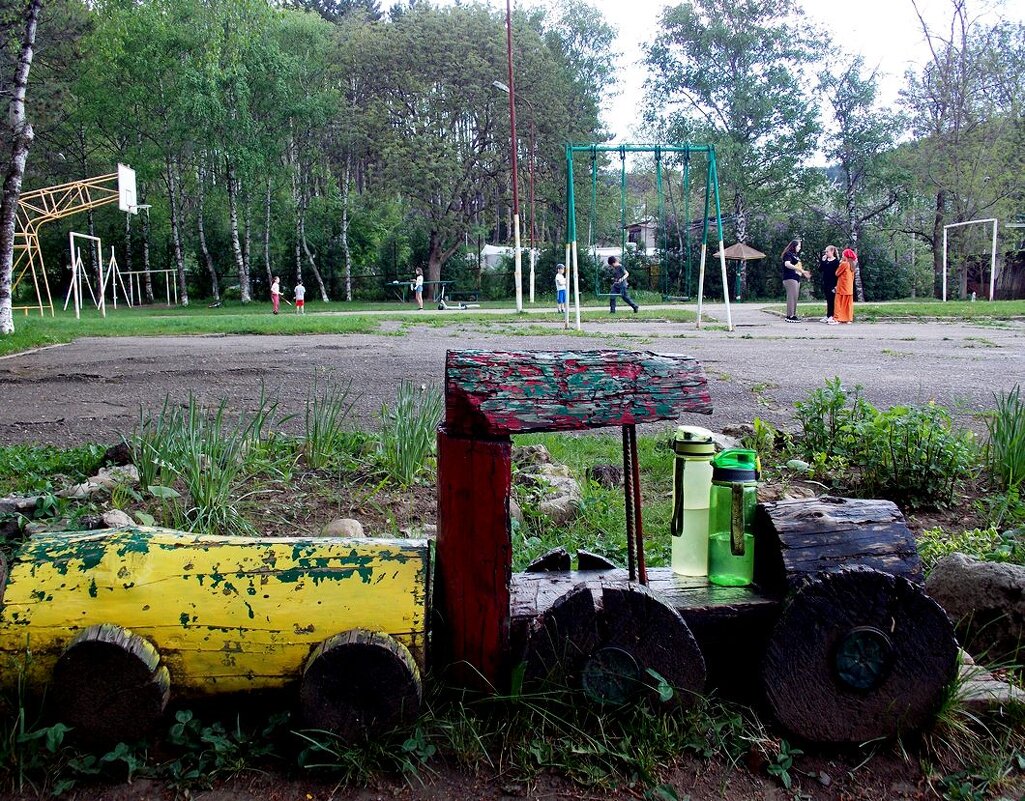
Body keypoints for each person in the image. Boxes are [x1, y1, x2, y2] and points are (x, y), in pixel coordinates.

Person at [780, 240, 807, 322]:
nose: (800, 248)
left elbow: (798, 266)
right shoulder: (788, 254)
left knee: (795, 296)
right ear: (794, 246)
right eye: (798, 246)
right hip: (789, 278)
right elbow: (787, 264)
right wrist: (797, 268)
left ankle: (793, 315)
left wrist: (802, 271)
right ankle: (789, 316)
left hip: (796, 278)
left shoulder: (795, 255)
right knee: (791, 296)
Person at [819, 245, 840, 324]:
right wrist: (823, 261)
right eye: (825, 252)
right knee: (828, 300)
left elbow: (838, 274)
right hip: (826, 283)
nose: (826, 253)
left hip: (833, 283)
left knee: (832, 300)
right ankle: (828, 315)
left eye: (827, 251)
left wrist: (836, 285)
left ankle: (832, 315)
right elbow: (820, 269)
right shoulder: (826, 261)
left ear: (832, 252)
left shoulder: (836, 262)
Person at [834, 248, 856, 323]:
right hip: (849, 287)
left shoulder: (844, 264)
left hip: (842, 287)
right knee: (848, 304)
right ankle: (848, 318)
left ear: (845, 256)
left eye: (843, 255)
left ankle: (837, 318)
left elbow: (837, 273)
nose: (841, 256)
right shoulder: (852, 265)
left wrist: (840, 263)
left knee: (839, 303)